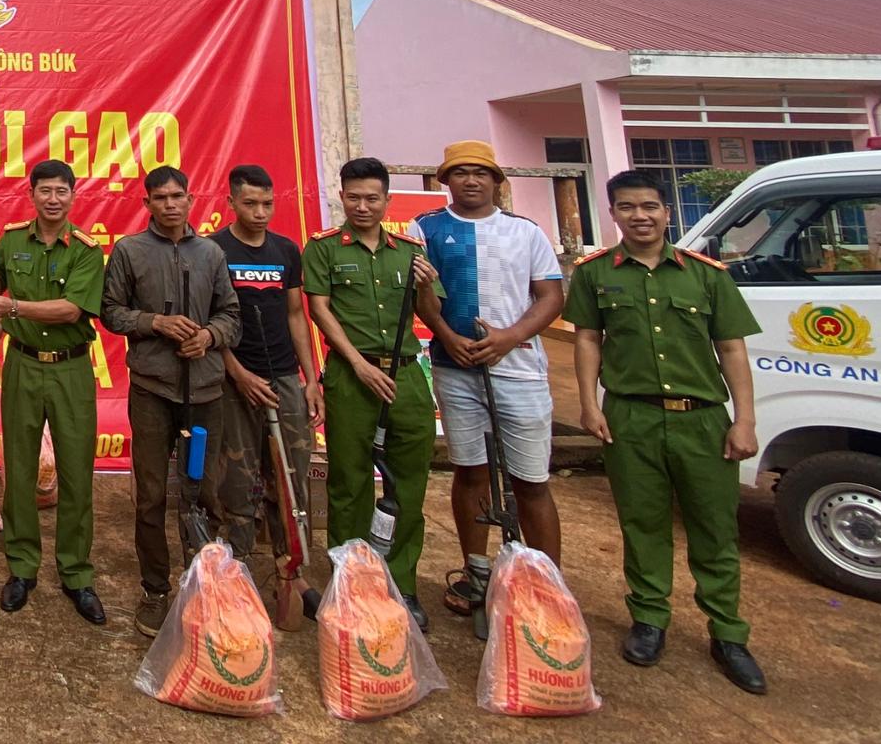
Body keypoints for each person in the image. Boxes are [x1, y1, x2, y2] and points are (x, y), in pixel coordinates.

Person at [566, 169, 766, 694]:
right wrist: (589, 405)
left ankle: (727, 633)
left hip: (702, 419)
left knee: (714, 529)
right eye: (628, 207)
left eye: (650, 206)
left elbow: (732, 349)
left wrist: (744, 420)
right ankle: (650, 620)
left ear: (667, 211)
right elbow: (587, 340)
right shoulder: (595, 274)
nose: (640, 216)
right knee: (643, 524)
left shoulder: (706, 275)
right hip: (631, 417)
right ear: (613, 214)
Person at [410, 140, 565, 619]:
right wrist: (446, 336)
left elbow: (551, 297)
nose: (470, 180)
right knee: (470, 471)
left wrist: (509, 337)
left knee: (531, 481)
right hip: (454, 370)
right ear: (446, 181)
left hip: (518, 370)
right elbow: (420, 295)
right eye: (460, 173)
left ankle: (546, 582)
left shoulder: (525, 232)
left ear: (498, 181)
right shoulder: (426, 229)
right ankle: (476, 569)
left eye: (481, 172)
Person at [100, 166, 240, 638]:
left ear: (191, 199)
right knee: (152, 496)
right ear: (147, 204)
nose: (170, 205)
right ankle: (156, 589)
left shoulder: (212, 253)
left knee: (204, 493)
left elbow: (231, 316)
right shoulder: (129, 251)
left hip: (204, 392)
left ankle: (204, 581)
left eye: (177, 196)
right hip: (153, 391)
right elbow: (111, 312)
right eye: (160, 198)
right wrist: (154, 324)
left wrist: (208, 334)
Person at [303, 156, 438, 631]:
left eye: (372, 198)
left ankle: (401, 581)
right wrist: (357, 365)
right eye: (354, 197)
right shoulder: (323, 248)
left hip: (405, 376)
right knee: (350, 481)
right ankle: (349, 575)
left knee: (409, 482)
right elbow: (319, 308)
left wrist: (426, 288)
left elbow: (429, 310)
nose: (363, 206)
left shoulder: (410, 250)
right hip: (350, 374)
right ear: (341, 196)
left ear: (387, 200)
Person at [0, 159, 107, 625]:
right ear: (31, 194)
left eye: (62, 192)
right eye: (45, 191)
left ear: (73, 196)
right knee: (18, 469)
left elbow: (72, 310)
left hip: (71, 371)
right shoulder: (11, 242)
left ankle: (76, 573)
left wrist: (11, 306)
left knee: (76, 471)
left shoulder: (87, 250)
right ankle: (21, 568)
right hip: (22, 364)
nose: (53, 199)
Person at [210, 164, 319, 614]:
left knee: (292, 476)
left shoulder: (286, 250)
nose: (260, 212)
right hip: (234, 381)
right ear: (231, 202)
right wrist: (237, 373)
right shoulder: (213, 251)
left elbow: (297, 315)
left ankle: (291, 571)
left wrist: (310, 378)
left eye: (267, 204)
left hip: (284, 378)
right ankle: (238, 571)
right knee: (237, 481)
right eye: (250, 203)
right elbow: (208, 324)